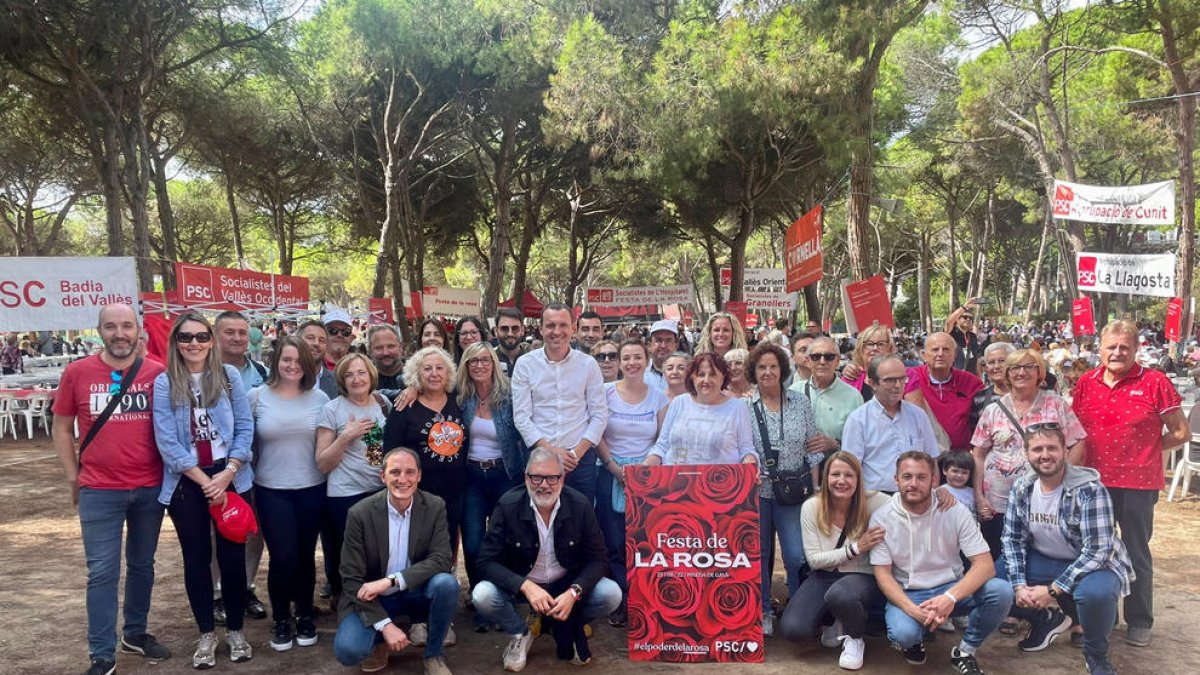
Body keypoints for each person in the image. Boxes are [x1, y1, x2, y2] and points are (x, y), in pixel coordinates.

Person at [52, 304, 172, 675]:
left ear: (138, 331)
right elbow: (61, 426)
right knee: (102, 572)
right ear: (99, 331)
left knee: (142, 565)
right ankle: (102, 654)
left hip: (150, 486)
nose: (119, 333)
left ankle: (134, 633)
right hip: (99, 490)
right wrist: (74, 476)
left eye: (126, 326)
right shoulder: (78, 372)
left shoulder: (157, 373)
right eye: (110, 327)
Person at [1071, 319, 1189, 647]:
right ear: (1100, 348)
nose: (1118, 352)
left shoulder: (1155, 382)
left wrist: (1149, 451)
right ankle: (1100, 618)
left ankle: (1139, 619)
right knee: (1095, 550)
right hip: (1093, 482)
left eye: (1125, 346)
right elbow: (1076, 430)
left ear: (1137, 349)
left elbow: (1181, 432)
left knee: (1135, 551)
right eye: (1111, 346)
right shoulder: (1086, 383)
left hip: (1138, 482)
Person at [152, 313, 255, 668]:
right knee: (196, 559)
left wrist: (227, 474)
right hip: (188, 481)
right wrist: (204, 481)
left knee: (232, 558)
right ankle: (207, 634)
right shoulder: (165, 383)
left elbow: (245, 427)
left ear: (211, 341)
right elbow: (167, 442)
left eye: (200, 336)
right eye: (185, 338)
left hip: (231, 476)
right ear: (175, 344)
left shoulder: (229, 377)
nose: (193, 343)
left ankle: (237, 631)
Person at [471, 449, 622, 672]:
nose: (544, 485)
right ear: (526, 477)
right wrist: (526, 586)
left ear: (562, 479)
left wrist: (574, 592)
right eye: (536, 477)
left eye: (552, 478)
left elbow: (599, 560)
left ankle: (567, 621)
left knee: (611, 594)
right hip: (524, 585)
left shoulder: (579, 505)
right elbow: (485, 562)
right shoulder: (508, 504)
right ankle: (521, 632)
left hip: (565, 584)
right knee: (482, 595)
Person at [998, 425, 1132, 675]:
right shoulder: (1022, 487)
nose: (1045, 455)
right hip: (1043, 557)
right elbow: (1012, 539)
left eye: (1052, 448)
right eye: (1037, 449)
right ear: (1027, 454)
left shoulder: (1090, 489)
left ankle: (1096, 656)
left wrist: (1053, 590)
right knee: (994, 582)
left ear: (1065, 451)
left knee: (1096, 595)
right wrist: (1019, 586)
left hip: (1091, 563)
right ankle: (1044, 621)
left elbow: (1099, 550)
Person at [871, 451, 1013, 673]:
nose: (914, 483)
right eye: (907, 477)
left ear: (935, 481)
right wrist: (913, 611)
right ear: (896, 479)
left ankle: (965, 650)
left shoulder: (954, 509)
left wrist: (949, 597)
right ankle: (916, 637)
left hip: (951, 587)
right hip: (910, 592)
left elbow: (985, 565)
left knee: (1001, 591)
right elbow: (883, 574)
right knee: (904, 635)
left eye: (921, 477)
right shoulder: (882, 517)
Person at [333, 448, 459, 675]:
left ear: (419, 475)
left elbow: (441, 558)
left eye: (410, 472)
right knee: (349, 651)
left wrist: (391, 581)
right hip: (372, 598)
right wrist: (385, 625)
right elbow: (351, 580)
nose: (403, 479)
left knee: (447, 584)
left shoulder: (434, 506)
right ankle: (380, 639)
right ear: (383, 476)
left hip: (413, 591)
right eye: (395, 472)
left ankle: (433, 655)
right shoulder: (359, 514)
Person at [250, 335, 329, 652]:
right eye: (286, 360)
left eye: (298, 361)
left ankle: (305, 614)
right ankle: (281, 618)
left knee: (306, 557)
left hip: (312, 487)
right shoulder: (256, 397)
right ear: (276, 362)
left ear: (307, 364)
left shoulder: (320, 398)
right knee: (282, 557)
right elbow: (244, 441)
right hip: (271, 489)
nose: (292, 366)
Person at [971, 348, 1085, 558]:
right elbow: (977, 453)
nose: (1021, 372)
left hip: (1044, 502)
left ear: (1039, 373)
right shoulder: (993, 410)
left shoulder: (1056, 405)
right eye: (1015, 367)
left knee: (1040, 558)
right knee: (1000, 557)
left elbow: (1078, 442)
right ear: (1007, 374)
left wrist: (1061, 475)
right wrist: (979, 497)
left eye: (1028, 367)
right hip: (998, 503)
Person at [780, 452, 889, 670]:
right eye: (835, 474)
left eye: (849, 475)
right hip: (825, 574)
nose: (841, 480)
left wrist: (943, 494)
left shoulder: (877, 502)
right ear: (825, 478)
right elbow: (814, 561)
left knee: (842, 594)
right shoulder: (812, 506)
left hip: (862, 576)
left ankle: (854, 638)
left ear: (858, 479)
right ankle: (833, 618)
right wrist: (856, 547)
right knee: (793, 629)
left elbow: (909, 499)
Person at [747, 342, 821, 636]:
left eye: (773, 366)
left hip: (793, 491)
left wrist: (815, 488)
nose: (767, 372)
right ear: (754, 372)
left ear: (782, 370)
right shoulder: (744, 407)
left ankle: (797, 608)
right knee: (760, 553)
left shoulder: (800, 402)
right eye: (761, 367)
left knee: (795, 555)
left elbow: (812, 447)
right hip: (758, 493)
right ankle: (763, 610)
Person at [455, 342, 528, 632]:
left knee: (506, 541)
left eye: (485, 360)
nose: (480, 366)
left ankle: (503, 597)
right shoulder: (460, 398)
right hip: (471, 477)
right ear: (466, 366)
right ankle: (479, 598)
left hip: (505, 474)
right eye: (473, 361)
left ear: (494, 364)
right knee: (473, 544)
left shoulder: (510, 396)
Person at [595, 339, 667, 628]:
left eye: (637, 357)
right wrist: (614, 467)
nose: (631, 363)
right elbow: (596, 431)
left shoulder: (659, 396)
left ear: (647, 360)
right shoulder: (605, 392)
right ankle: (623, 601)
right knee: (613, 542)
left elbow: (663, 438)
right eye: (626, 358)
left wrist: (643, 469)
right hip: (608, 470)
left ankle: (646, 599)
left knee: (644, 542)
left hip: (648, 475)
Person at [317, 353, 392, 614]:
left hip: (380, 491)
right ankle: (347, 604)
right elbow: (323, 463)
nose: (356, 379)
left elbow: (379, 449)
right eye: (349, 374)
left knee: (379, 553)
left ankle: (376, 605)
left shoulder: (383, 404)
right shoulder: (332, 409)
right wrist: (345, 437)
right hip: (345, 494)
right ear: (342, 380)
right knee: (347, 555)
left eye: (361, 372)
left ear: (371, 375)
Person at [511, 303, 608, 504]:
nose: (557, 331)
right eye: (550, 325)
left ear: (573, 328)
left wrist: (575, 453)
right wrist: (552, 452)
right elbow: (521, 416)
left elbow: (599, 415)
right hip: (540, 459)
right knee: (540, 522)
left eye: (563, 325)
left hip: (580, 461)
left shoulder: (588, 365)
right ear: (540, 328)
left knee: (580, 522)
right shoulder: (525, 365)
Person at [384, 347, 467, 560]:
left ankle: (446, 579)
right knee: (419, 544)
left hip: (456, 488)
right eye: (427, 369)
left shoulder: (459, 401)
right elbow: (391, 449)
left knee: (448, 539)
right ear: (416, 375)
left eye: (440, 368)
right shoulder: (405, 405)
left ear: (448, 373)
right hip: (419, 491)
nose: (434, 373)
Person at [212, 310, 269, 622]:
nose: (236, 338)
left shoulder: (260, 371)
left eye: (242, 333)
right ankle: (218, 593)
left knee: (251, 528)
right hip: (214, 465)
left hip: (254, 464)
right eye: (229, 332)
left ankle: (245, 587)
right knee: (215, 530)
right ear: (216, 335)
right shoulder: (201, 370)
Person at [841, 355, 940, 492]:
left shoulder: (918, 415)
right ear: (873, 383)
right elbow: (850, 467)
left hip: (917, 496)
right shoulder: (858, 420)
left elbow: (931, 459)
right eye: (890, 380)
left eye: (902, 379)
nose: (898, 386)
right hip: (876, 498)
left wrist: (933, 494)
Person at [646, 352, 759, 466]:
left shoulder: (738, 408)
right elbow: (661, 446)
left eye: (712, 374)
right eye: (701, 374)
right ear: (692, 377)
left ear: (723, 377)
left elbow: (746, 449)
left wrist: (750, 461)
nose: (706, 380)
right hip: (676, 480)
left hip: (720, 481)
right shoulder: (679, 403)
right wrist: (645, 466)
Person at [904, 331, 983, 452]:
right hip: (922, 457)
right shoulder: (910, 378)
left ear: (954, 354)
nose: (940, 354)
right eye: (935, 349)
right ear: (924, 355)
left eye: (946, 349)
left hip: (959, 462)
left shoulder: (971, 382)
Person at [791, 336, 863, 468]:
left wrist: (835, 444)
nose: (822, 362)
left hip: (836, 470)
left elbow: (860, 442)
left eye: (829, 357)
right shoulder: (794, 392)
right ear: (808, 361)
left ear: (837, 361)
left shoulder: (853, 397)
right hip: (800, 471)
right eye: (816, 357)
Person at [841, 324, 895, 402]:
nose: (875, 348)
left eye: (881, 344)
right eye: (869, 344)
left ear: (889, 349)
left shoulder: (901, 377)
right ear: (861, 349)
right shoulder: (850, 378)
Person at [970, 342, 1015, 430]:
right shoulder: (979, 398)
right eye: (991, 362)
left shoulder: (1027, 395)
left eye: (1002, 361)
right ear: (986, 368)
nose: (996, 366)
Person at [299, 320, 339, 399]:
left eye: (322, 340)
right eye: (310, 338)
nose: (316, 343)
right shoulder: (286, 377)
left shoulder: (337, 383)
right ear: (298, 341)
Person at [946, 299, 985, 375]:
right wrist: (964, 307)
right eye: (965, 317)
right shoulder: (951, 333)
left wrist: (979, 378)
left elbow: (975, 359)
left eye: (971, 318)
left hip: (970, 377)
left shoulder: (972, 336)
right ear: (957, 320)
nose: (968, 320)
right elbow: (949, 322)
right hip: (955, 377)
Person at [643, 319, 679, 392]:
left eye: (668, 340)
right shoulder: (639, 372)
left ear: (675, 345)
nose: (663, 345)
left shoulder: (686, 374)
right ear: (649, 345)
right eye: (658, 340)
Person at [369, 324, 406, 390]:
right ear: (370, 350)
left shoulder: (416, 377)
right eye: (379, 348)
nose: (385, 353)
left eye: (391, 346)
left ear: (401, 347)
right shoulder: (365, 383)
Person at [493, 308, 528, 376]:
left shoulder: (532, 360)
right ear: (496, 331)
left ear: (522, 330)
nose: (510, 334)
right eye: (504, 328)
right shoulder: (488, 360)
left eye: (515, 328)